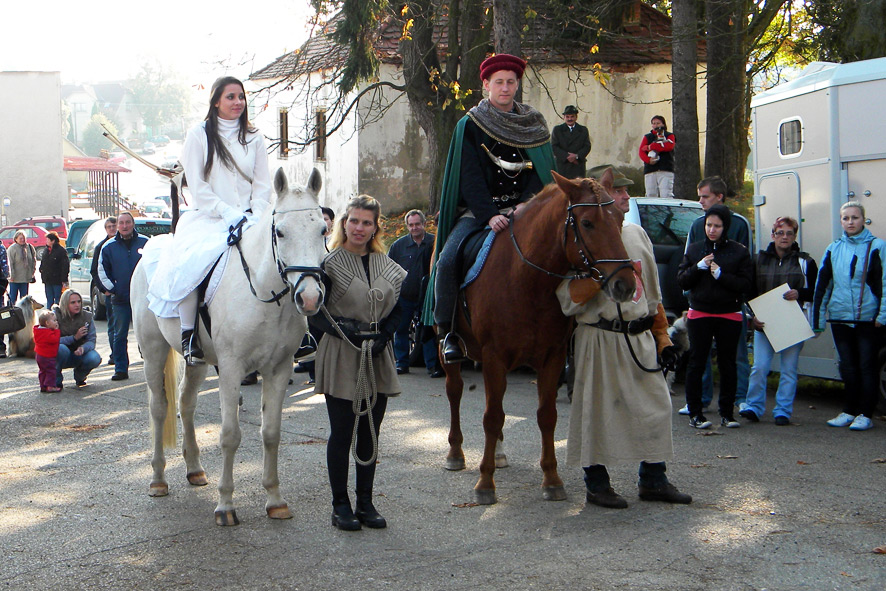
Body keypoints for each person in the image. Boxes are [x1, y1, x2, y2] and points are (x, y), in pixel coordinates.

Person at [557, 165, 691, 509]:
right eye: (619, 191)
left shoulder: (636, 234)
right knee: (595, 413)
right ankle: (597, 484)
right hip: (599, 338)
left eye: (626, 192)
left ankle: (653, 479)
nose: (626, 196)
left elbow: (653, 296)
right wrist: (601, 278)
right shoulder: (580, 237)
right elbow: (567, 297)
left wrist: (662, 338)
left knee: (657, 407)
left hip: (640, 336)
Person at [425, 53, 555, 362]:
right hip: (478, 212)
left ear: (517, 84)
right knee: (447, 258)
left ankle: (560, 334)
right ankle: (448, 331)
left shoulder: (533, 125)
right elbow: (468, 176)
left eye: (511, 82)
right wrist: (490, 215)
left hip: (524, 210)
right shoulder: (470, 125)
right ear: (486, 85)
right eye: (499, 82)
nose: (505, 88)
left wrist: (525, 204)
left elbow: (541, 171)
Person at [146, 76, 271, 366]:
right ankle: (190, 333)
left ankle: (296, 333)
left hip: (251, 218)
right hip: (210, 218)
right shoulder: (198, 135)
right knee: (193, 263)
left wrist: (256, 213)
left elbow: (263, 184)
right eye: (230, 97)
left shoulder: (255, 137)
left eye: (241, 96)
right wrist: (228, 213)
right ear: (216, 100)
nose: (238, 102)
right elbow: (198, 187)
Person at [308, 195, 406, 531]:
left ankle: (365, 502)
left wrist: (386, 334)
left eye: (367, 222)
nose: (359, 228)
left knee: (370, 432)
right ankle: (340, 505)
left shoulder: (388, 264)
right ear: (343, 223)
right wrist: (343, 329)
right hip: (341, 354)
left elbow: (403, 306)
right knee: (342, 432)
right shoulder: (328, 264)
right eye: (354, 221)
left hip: (376, 355)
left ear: (376, 226)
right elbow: (313, 313)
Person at [678, 176, 753, 416]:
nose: (700, 201)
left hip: (729, 306)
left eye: (705, 196)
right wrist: (691, 287)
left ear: (719, 196)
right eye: (699, 196)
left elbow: (744, 268)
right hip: (701, 305)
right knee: (699, 358)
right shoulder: (696, 225)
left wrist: (723, 274)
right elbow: (686, 264)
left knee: (733, 357)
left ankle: (738, 400)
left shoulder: (740, 224)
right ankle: (700, 400)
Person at [813, 201, 886, 431]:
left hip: (867, 318)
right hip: (840, 317)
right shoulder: (833, 248)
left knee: (867, 365)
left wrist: (882, 315)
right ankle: (849, 410)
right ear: (841, 221)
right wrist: (818, 319)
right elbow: (823, 284)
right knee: (848, 366)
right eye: (846, 218)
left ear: (863, 219)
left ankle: (866, 413)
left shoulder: (878, 246)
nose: (850, 222)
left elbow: (884, 283)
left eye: (855, 217)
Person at [743, 217, 818, 425]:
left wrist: (800, 293)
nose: (784, 237)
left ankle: (783, 411)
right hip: (764, 323)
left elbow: (816, 291)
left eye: (789, 233)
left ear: (795, 236)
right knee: (759, 366)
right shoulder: (758, 260)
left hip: (792, 323)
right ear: (773, 235)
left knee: (789, 369)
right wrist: (752, 317)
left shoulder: (805, 262)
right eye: (780, 233)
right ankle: (754, 407)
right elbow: (748, 292)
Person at [388, 209, 441, 377]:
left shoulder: (434, 243)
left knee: (427, 331)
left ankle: (432, 365)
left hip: (427, 297)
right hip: (404, 296)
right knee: (401, 330)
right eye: (411, 225)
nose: (414, 228)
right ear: (407, 226)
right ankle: (402, 363)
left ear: (424, 224)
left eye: (417, 224)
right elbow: (389, 270)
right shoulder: (398, 246)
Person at [98, 212, 148, 381]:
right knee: (119, 335)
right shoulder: (108, 247)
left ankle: (153, 365)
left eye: (128, 222)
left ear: (133, 224)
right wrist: (113, 289)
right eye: (121, 223)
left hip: (144, 299)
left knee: (149, 333)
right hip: (120, 299)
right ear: (117, 225)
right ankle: (120, 369)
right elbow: (102, 271)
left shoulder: (146, 243)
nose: (125, 226)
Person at [294, 206, 336, 384]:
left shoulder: (336, 241)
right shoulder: (308, 242)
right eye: (321, 218)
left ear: (331, 222)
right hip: (312, 292)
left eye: (326, 218)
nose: (324, 221)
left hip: (330, 296)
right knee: (312, 332)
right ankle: (313, 372)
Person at [54, 289, 101, 388]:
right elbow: (52, 341)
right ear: (65, 304)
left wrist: (83, 348)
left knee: (94, 358)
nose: (77, 305)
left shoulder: (87, 317)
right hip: (62, 354)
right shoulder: (55, 316)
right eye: (73, 302)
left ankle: (80, 376)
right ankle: (56, 379)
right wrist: (74, 338)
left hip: (79, 353)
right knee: (60, 349)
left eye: (79, 301)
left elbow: (91, 341)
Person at [91, 217, 117, 366]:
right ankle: (115, 354)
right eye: (109, 226)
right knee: (113, 326)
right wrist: (104, 289)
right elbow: (94, 271)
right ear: (106, 229)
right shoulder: (101, 247)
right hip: (112, 294)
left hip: (130, 293)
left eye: (114, 225)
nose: (112, 228)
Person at [638, 115, 675, 198]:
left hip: (665, 168)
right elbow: (641, 151)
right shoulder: (647, 137)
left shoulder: (669, 136)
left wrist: (651, 147)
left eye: (658, 123)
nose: (656, 125)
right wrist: (648, 160)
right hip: (650, 169)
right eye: (653, 123)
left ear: (663, 124)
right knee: (650, 194)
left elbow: (669, 146)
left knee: (666, 194)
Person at [551, 105, 591, 180]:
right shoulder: (557, 130)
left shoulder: (583, 130)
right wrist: (567, 156)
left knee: (578, 188)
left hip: (578, 166)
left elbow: (587, 146)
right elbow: (554, 146)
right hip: (562, 166)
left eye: (572, 116)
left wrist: (576, 156)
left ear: (576, 117)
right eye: (567, 117)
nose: (570, 119)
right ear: (564, 117)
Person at [33, 310, 62, 393]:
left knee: (42, 371)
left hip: (39, 355)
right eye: (54, 320)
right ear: (47, 323)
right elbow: (54, 339)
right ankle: (50, 386)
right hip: (47, 356)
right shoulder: (47, 333)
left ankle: (43, 385)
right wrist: (56, 330)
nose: (56, 322)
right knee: (51, 371)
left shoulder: (39, 331)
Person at [39, 231, 69, 308]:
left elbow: (65, 266)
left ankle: (57, 314)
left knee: (57, 299)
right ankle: (49, 315)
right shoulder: (46, 250)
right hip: (47, 279)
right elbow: (43, 261)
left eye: (48, 240)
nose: (46, 241)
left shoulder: (61, 251)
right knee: (49, 299)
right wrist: (41, 269)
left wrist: (64, 280)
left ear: (53, 241)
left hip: (57, 279)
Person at [7, 229, 37, 304]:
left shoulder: (29, 247)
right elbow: (10, 263)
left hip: (25, 278)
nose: (22, 240)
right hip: (15, 279)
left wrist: (32, 272)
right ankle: (12, 315)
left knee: (24, 300)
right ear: (16, 239)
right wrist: (12, 276)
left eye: (24, 238)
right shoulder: (12, 248)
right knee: (12, 299)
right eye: (20, 238)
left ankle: (23, 314)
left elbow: (33, 260)